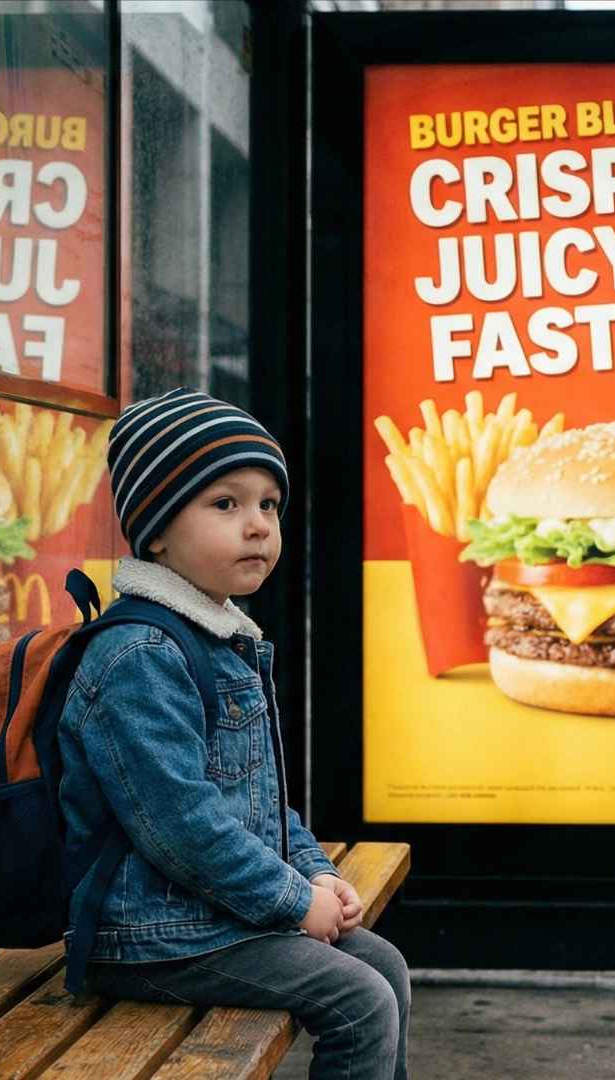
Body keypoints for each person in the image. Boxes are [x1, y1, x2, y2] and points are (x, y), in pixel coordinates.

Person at [59, 388, 410, 1079]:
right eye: (225, 504)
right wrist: (288, 901)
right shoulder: (139, 656)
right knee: (359, 999)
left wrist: (313, 870)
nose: (257, 526)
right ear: (156, 529)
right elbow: (180, 825)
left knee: (383, 965)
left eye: (268, 505)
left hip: (207, 916)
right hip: (150, 937)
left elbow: (255, 797)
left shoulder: (219, 638)